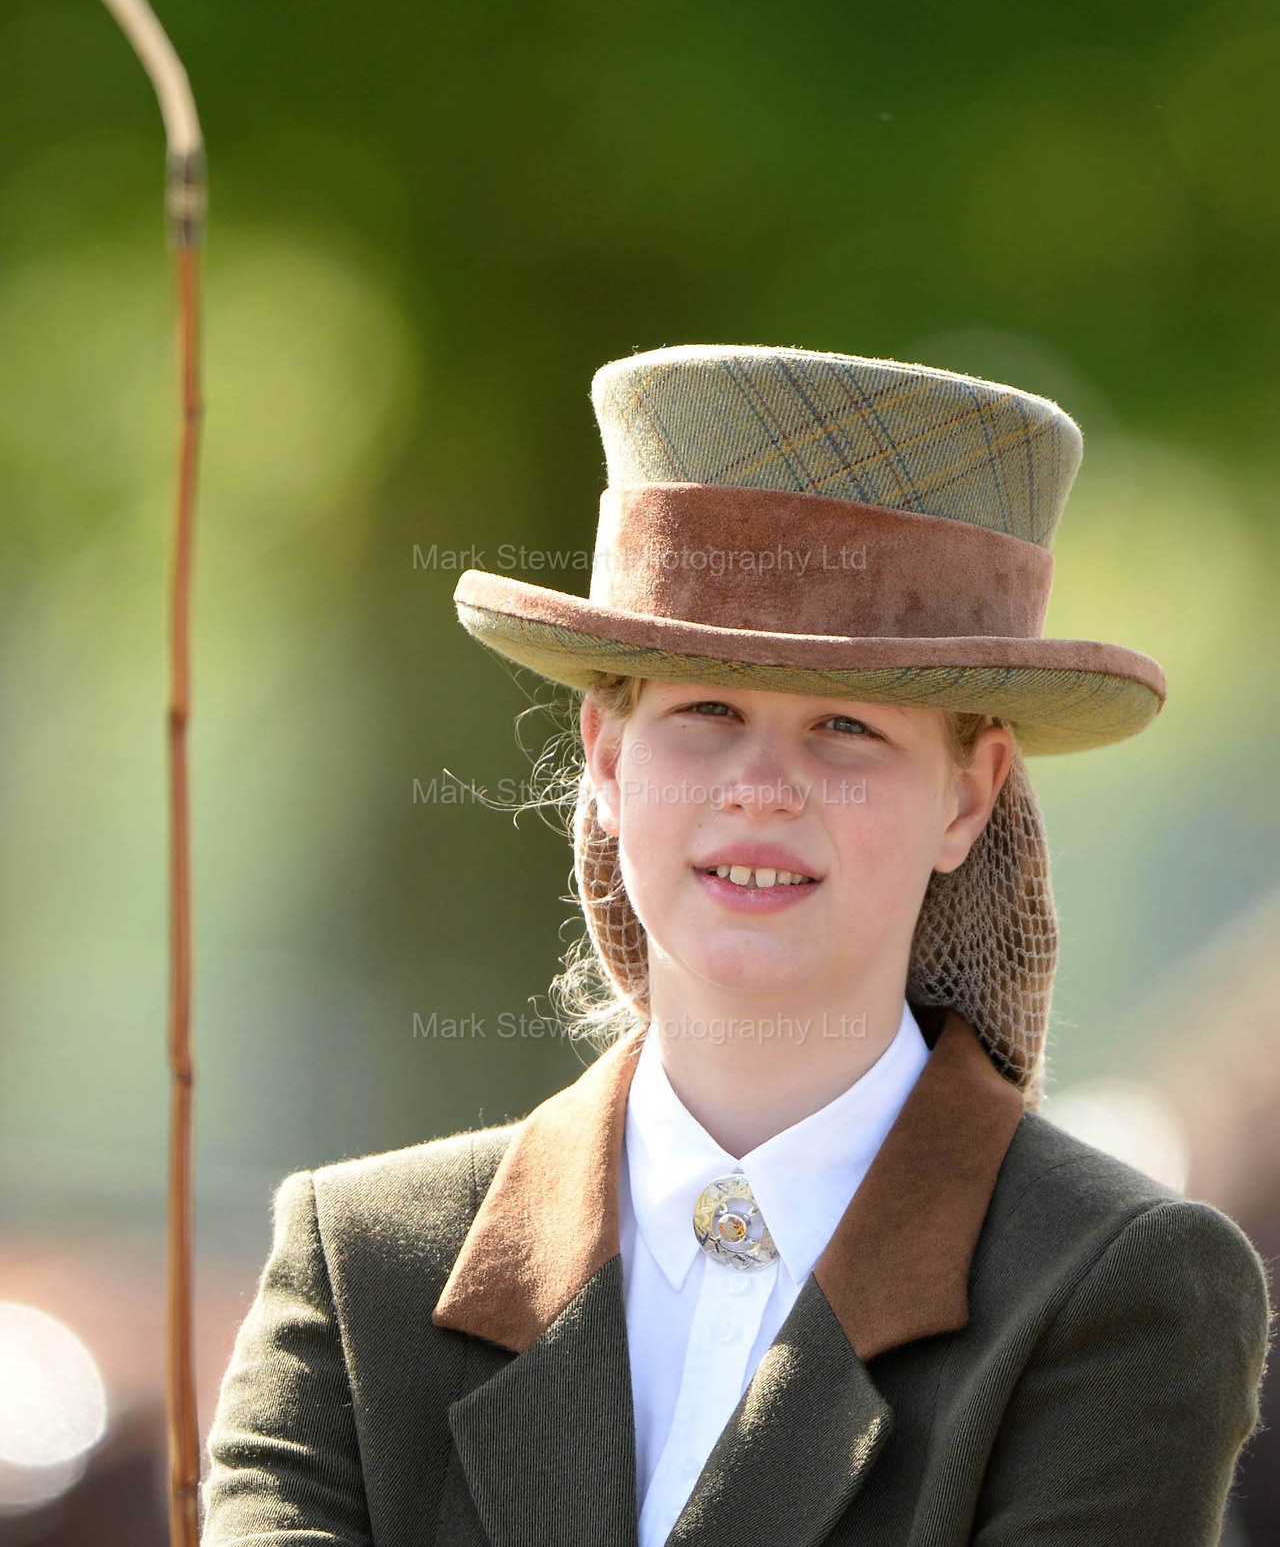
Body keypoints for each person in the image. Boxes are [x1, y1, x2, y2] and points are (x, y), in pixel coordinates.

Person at [202, 345, 1271, 1546]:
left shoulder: (1112, 1291)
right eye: (704, 709)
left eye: (845, 728)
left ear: (967, 795)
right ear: (607, 758)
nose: (761, 787)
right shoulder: (358, 1272)